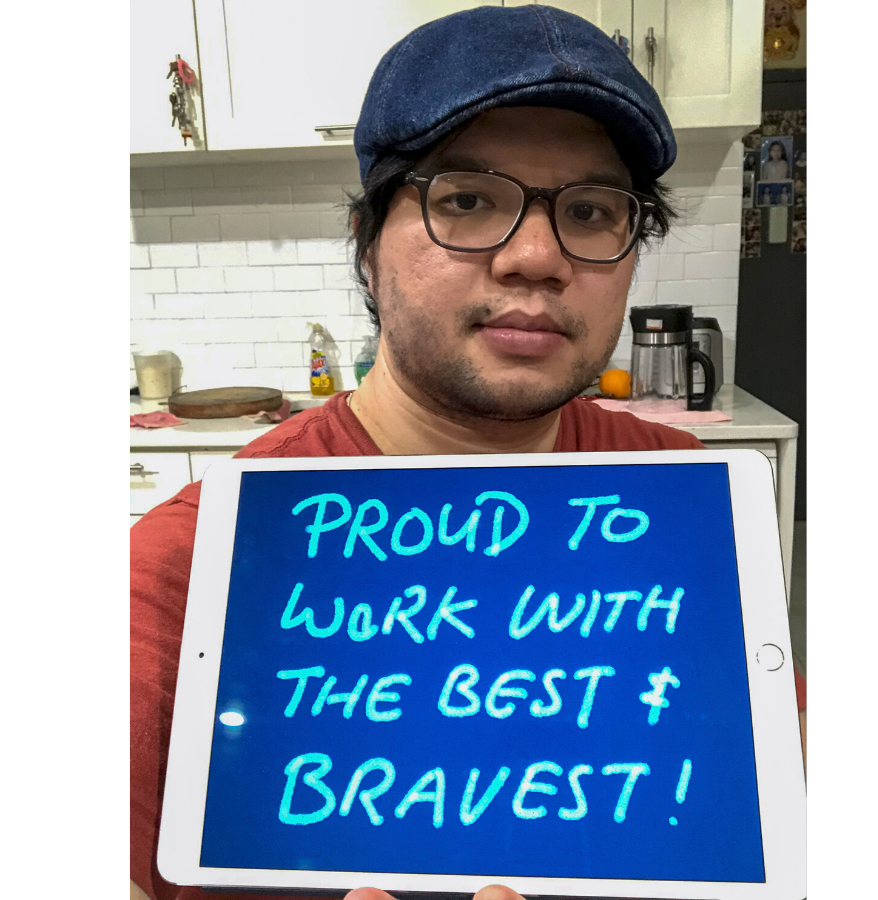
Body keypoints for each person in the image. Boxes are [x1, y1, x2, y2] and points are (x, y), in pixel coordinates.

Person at [129, 6, 806, 900]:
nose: (536, 257)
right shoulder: (178, 584)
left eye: (593, 211)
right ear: (368, 249)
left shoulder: (687, 512)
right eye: (467, 200)